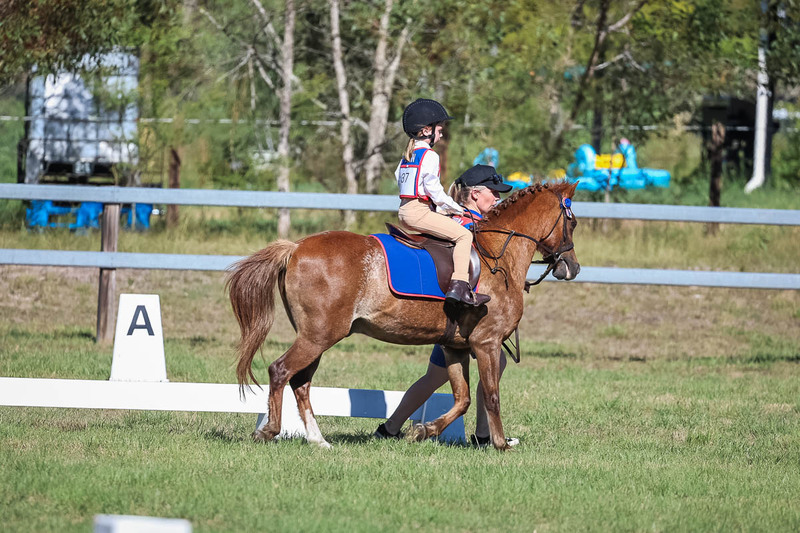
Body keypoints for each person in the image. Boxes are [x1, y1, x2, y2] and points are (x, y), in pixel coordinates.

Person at [376, 165, 519, 448]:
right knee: (438, 376)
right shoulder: (460, 222)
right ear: (475, 194)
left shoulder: (473, 220)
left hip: (468, 316)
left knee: (454, 373)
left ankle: (391, 429)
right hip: (455, 317)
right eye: (493, 194)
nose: (497, 200)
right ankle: (394, 427)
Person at [396, 98, 490, 307]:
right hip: (419, 213)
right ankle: (460, 286)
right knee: (464, 235)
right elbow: (436, 192)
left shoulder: (407, 156)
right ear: (426, 131)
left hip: (404, 211)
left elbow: (401, 182)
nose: (441, 134)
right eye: (439, 129)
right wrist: (459, 210)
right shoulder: (429, 156)